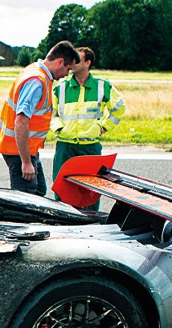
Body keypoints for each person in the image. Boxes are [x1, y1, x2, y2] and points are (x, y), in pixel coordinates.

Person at [0, 41, 80, 196]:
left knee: (39, 190)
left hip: (27, 148)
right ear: (60, 62)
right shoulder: (36, 81)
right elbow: (21, 122)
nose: (67, 74)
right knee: (25, 197)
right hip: (18, 150)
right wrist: (26, 162)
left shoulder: (37, 73)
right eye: (68, 69)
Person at [51, 47, 126, 211]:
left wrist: (105, 126)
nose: (72, 63)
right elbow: (51, 111)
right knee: (62, 189)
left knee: (90, 192)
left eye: (78, 60)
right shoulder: (61, 86)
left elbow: (119, 107)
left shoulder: (102, 86)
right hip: (65, 146)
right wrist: (58, 128)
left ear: (88, 63)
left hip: (90, 146)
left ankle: (90, 224)